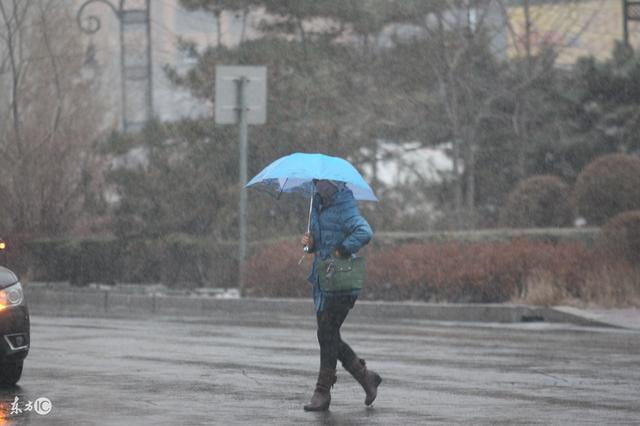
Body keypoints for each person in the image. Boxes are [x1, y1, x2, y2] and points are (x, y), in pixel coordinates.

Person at [300, 179, 382, 412]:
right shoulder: (316, 205)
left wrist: (341, 250)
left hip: (341, 282)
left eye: (322, 182)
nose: (318, 186)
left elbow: (364, 232)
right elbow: (317, 245)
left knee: (326, 332)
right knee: (328, 335)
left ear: (334, 183)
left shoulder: (345, 204)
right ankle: (366, 377)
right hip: (322, 281)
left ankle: (322, 391)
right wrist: (309, 244)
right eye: (315, 182)